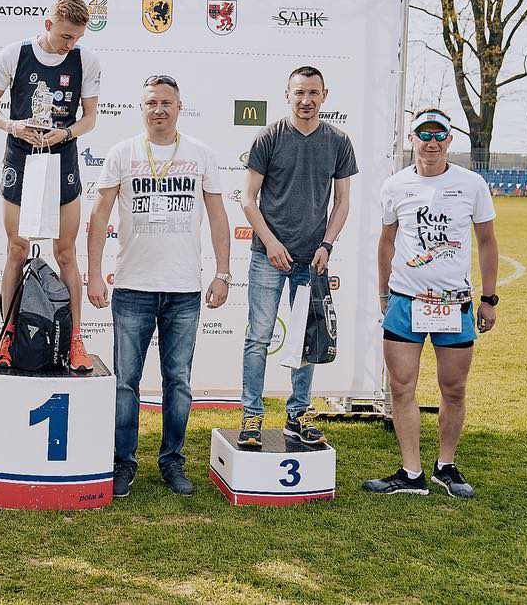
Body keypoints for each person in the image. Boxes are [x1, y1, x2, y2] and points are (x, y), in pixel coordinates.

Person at [87, 75, 231, 498]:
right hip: (133, 287)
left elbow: (218, 217)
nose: (159, 109)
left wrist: (223, 273)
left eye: (167, 102)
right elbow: (100, 215)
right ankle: (123, 462)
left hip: (184, 290)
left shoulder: (201, 154)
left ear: (179, 107)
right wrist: (94, 273)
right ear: (142, 107)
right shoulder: (123, 153)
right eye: (151, 102)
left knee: (178, 381)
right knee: (125, 382)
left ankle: (172, 461)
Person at [363, 109, 498, 498]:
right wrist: (384, 295)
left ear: (450, 140)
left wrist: (488, 299)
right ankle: (411, 472)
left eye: (440, 134)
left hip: (454, 303)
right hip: (406, 302)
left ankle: (446, 466)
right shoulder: (395, 185)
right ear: (413, 139)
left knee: (453, 388)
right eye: (425, 134)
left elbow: (487, 241)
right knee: (401, 386)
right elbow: (386, 243)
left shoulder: (472, 185)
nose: (432, 142)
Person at [238, 65, 357, 448]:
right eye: (299, 93)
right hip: (268, 256)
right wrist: (271, 244)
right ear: (287, 95)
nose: (306, 100)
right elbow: (247, 200)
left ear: (324, 96)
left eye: (313, 93)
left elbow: (342, 202)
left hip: (312, 260)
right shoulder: (269, 138)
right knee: (258, 337)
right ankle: (252, 416)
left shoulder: (338, 141)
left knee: (307, 338)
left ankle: (298, 414)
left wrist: (327, 245)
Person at [0, 0, 101, 372]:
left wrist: (66, 134)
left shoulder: (86, 61)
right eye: (65, 36)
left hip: (62, 156)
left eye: (76, 38)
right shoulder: (14, 54)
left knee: (65, 253)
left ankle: (76, 339)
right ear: (48, 25)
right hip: (21, 155)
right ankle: (7, 335)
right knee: (16, 250)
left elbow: (90, 118)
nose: (70, 44)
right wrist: (12, 125)